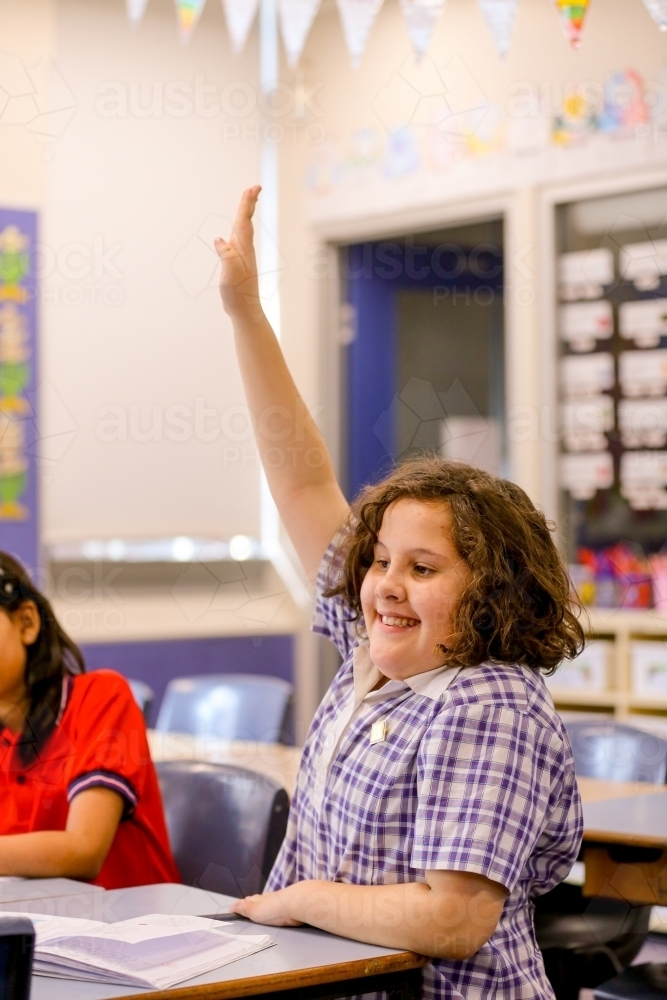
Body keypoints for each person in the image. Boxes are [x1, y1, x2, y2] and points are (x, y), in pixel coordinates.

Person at [216, 187, 585, 999]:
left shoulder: (487, 702)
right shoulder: (372, 655)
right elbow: (302, 476)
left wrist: (301, 901)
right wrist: (245, 310)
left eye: (422, 569)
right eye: (380, 560)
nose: (383, 585)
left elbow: (452, 921)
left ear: (491, 594)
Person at [0, 553, 180, 889]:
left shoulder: (101, 697)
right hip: (45, 924)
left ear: (26, 623)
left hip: (135, 927)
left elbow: (84, 849)